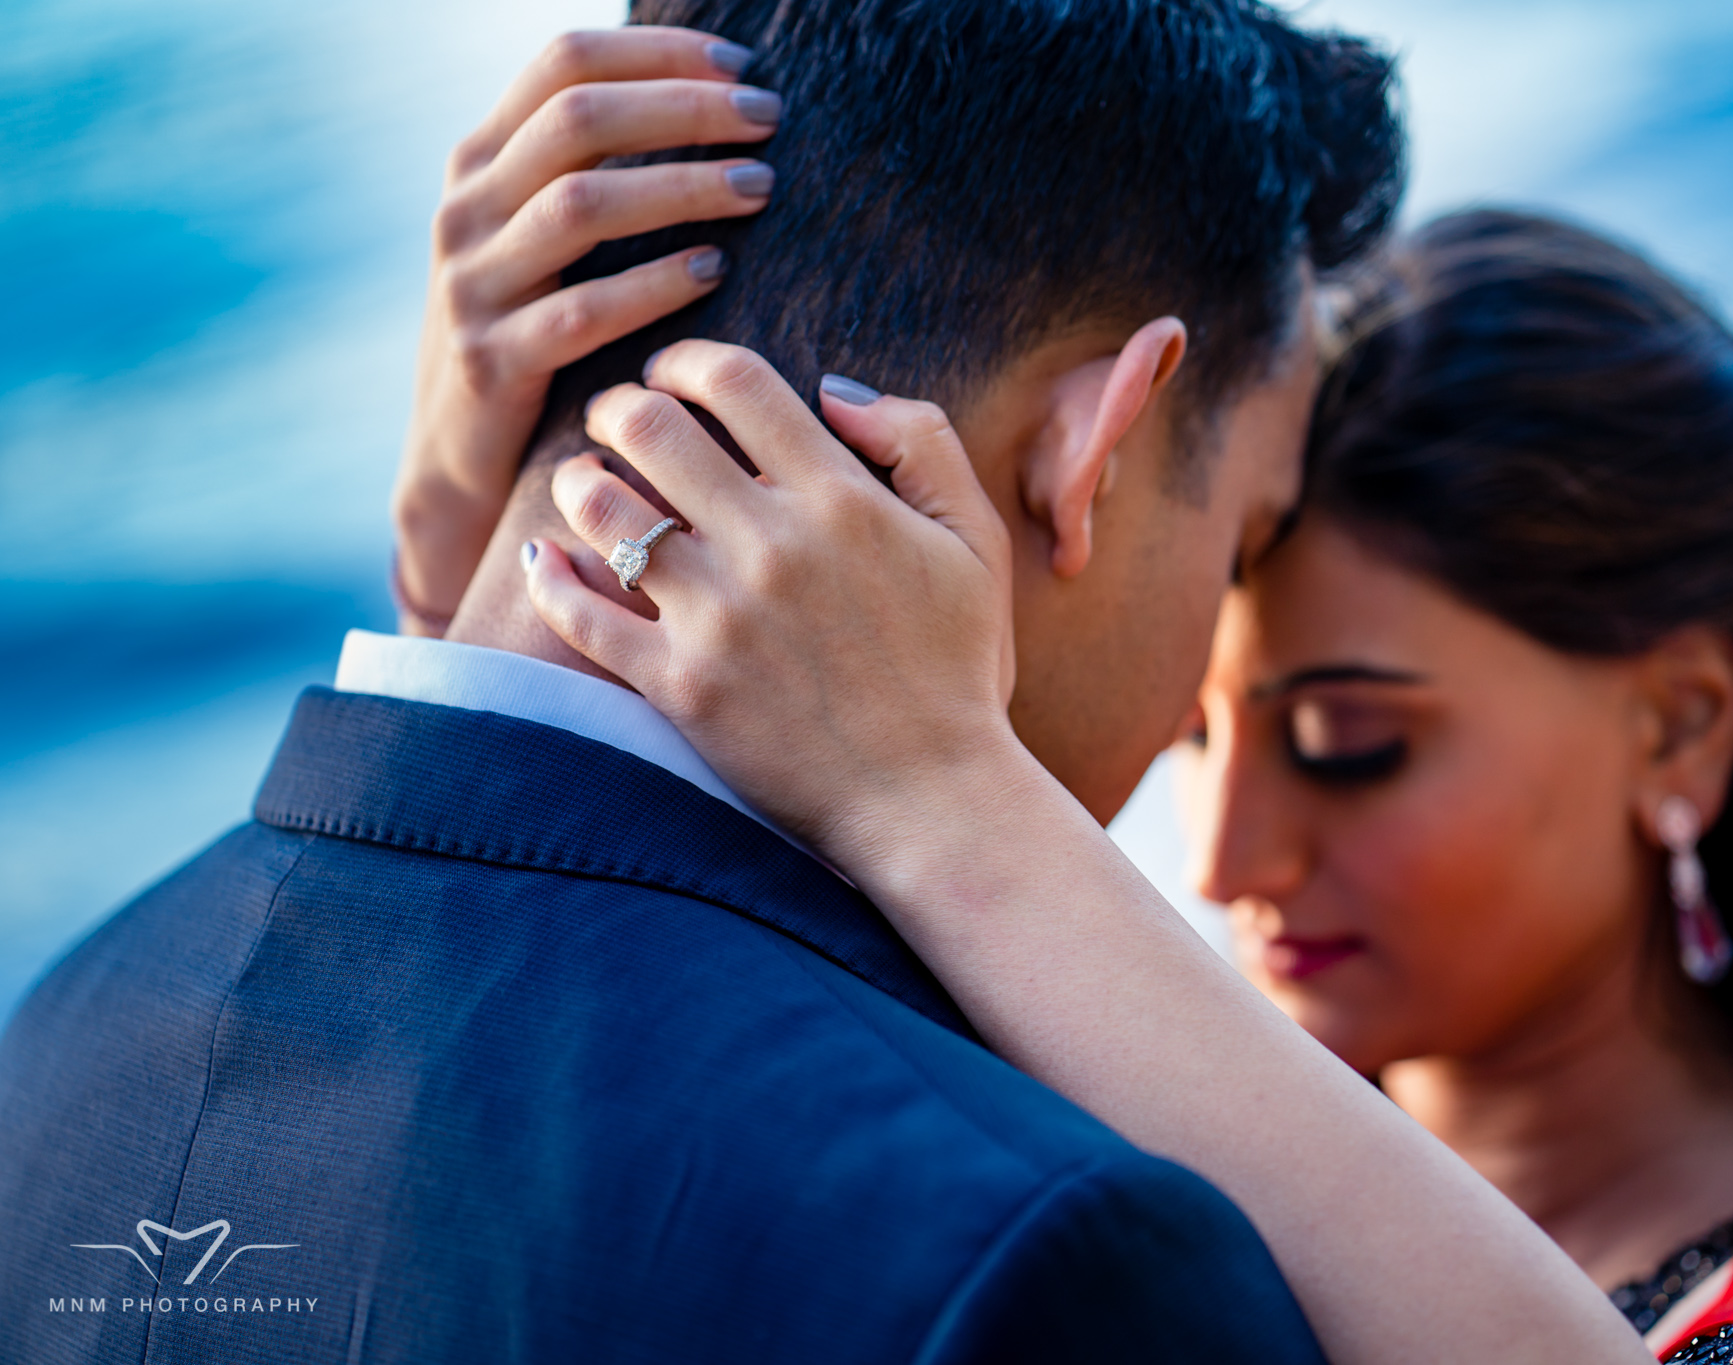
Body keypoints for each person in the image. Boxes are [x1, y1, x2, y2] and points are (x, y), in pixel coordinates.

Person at [0, 5, 1409, 1362]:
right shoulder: (1035, 1247)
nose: (1190, 730)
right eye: (1240, 547)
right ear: (1097, 449)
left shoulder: (55, 1042)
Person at [516, 211, 1733, 1364]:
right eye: (1194, 736)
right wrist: (473, 546)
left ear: (1681, 726)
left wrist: (935, 793)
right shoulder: (1120, 1190)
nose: (1233, 854)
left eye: (1348, 749)